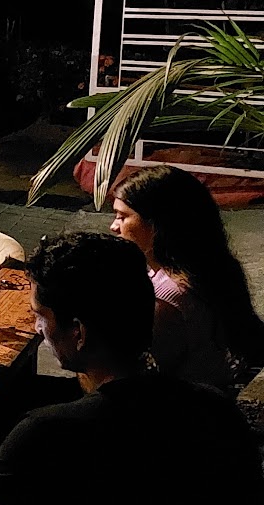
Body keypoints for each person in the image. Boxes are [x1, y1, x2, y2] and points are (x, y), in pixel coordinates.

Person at [0, 232, 264, 505]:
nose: (36, 328)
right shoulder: (216, 409)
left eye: (40, 316)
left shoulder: (49, 434)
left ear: (79, 332)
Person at [112, 164, 264, 387]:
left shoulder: (166, 301)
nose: (114, 227)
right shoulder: (211, 268)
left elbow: (135, 378)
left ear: (157, 224)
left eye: (122, 217)